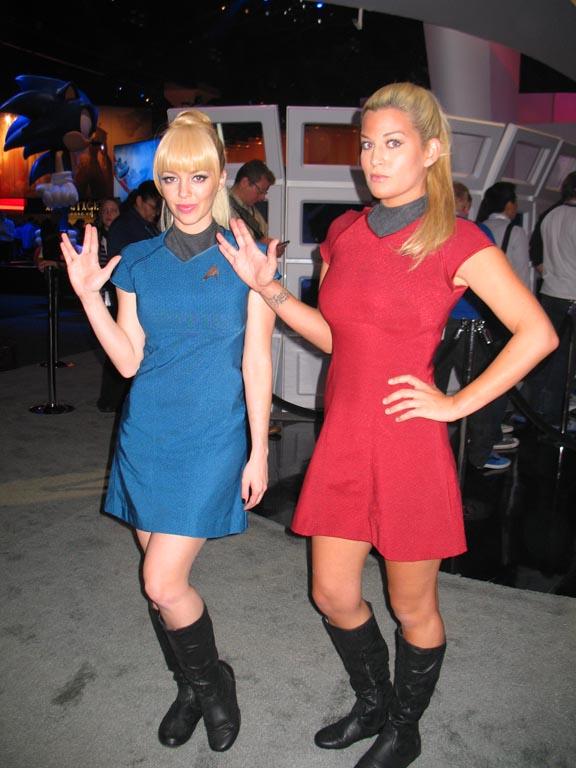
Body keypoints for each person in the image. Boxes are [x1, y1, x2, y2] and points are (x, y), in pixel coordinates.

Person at [217, 82, 557, 768]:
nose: (373, 158)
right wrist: (267, 287)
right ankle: (372, 700)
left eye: (392, 144)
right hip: (344, 435)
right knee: (331, 592)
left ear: (431, 151)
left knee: (412, 604)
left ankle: (406, 725)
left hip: (407, 441)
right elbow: (336, 337)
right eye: (368, 144)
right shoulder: (344, 234)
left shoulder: (456, 238)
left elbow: (537, 333)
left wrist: (455, 404)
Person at [60, 110, 276, 753]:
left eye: (198, 177)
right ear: (158, 182)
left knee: (161, 581)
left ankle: (215, 686)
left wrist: (259, 449)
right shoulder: (139, 260)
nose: (185, 192)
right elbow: (128, 360)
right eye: (172, 178)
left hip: (212, 437)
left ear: (220, 178)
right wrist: (89, 297)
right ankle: (189, 686)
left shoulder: (247, 257)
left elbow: (256, 361)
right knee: (162, 589)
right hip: (146, 435)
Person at [434, 182, 512, 471]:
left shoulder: (430, 232)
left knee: (431, 386)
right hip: (470, 320)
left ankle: (426, 453)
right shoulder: (477, 232)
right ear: (465, 205)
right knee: (484, 390)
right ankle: (480, 454)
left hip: (436, 322)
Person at [95, 184, 160, 412]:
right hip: (126, 293)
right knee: (121, 346)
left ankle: (114, 400)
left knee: (128, 346)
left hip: (135, 292)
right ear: (139, 201)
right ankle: (111, 400)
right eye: (152, 206)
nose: (154, 212)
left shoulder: (141, 224)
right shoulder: (127, 225)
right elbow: (124, 264)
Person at [524, 171, 576, 426]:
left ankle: (530, 408)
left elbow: (537, 253)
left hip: (549, 293)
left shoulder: (550, 215)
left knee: (544, 355)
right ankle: (555, 417)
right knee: (566, 361)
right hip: (572, 295)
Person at [476, 181, 532, 291]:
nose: (517, 206)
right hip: (505, 293)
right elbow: (522, 275)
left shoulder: (477, 228)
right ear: (509, 205)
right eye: (515, 202)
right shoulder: (516, 232)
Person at [228, 159, 275, 242]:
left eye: (265, 193)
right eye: (260, 191)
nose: (263, 197)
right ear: (245, 182)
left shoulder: (253, 211)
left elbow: (264, 234)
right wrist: (261, 245)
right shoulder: (222, 208)